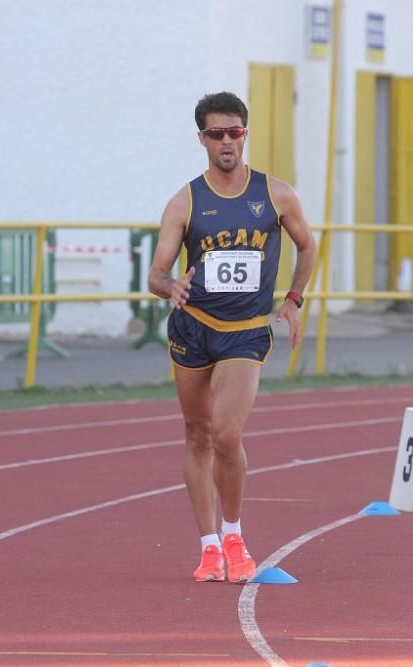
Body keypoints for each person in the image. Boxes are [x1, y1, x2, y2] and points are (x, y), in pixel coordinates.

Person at [148, 92, 317, 583]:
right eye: (217, 133)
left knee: (227, 432)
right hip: (193, 328)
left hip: (244, 331)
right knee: (198, 435)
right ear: (201, 138)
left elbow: (307, 246)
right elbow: (156, 274)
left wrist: (293, 299)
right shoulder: (185, 201)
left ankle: (235, 532)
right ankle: (207, 547)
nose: (227, 142)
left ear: (246, 134)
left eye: (235, 132)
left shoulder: (276, 194)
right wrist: (169, 285)